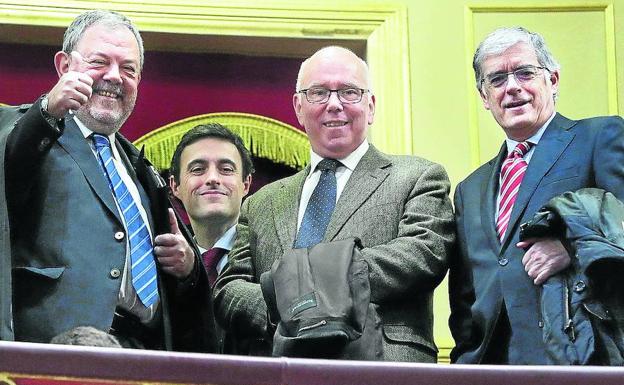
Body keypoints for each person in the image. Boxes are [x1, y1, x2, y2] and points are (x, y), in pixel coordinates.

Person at [214, 45, 455, 362]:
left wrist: (298, 286)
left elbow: (424, 254)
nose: (334, 104)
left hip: (380, 366)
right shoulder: (260, 202)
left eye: (349, 92)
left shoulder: (418, 177)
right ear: (299, 107)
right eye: (318, 93)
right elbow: (229, 289)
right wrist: (289, 305)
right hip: (277, 368)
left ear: (370, 106)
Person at [0, 10, 215, 352]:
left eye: (128, 69)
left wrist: (186, 267)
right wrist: (47, 111)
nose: (115, 77)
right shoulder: (26, 132)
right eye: (100, 61)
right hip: (54, 350)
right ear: (64, 66)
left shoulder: (138, 168)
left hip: (143, 351)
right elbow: (8, 168)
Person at [449, 26, 624, 364]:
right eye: (497, 79)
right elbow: (466, 295)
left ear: (553, 80)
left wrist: (572, 248)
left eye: (525, 73)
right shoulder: (470, 188)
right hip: (493, 365)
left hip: (584, 358)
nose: (512, 86)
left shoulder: (600, 137)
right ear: (484, 97)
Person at [169, 123, 253, 353]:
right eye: (198, 169)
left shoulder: (272, 252)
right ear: (175, 186)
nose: (213, 178)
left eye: (226, 169)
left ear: (246, 185)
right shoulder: (155, 262)